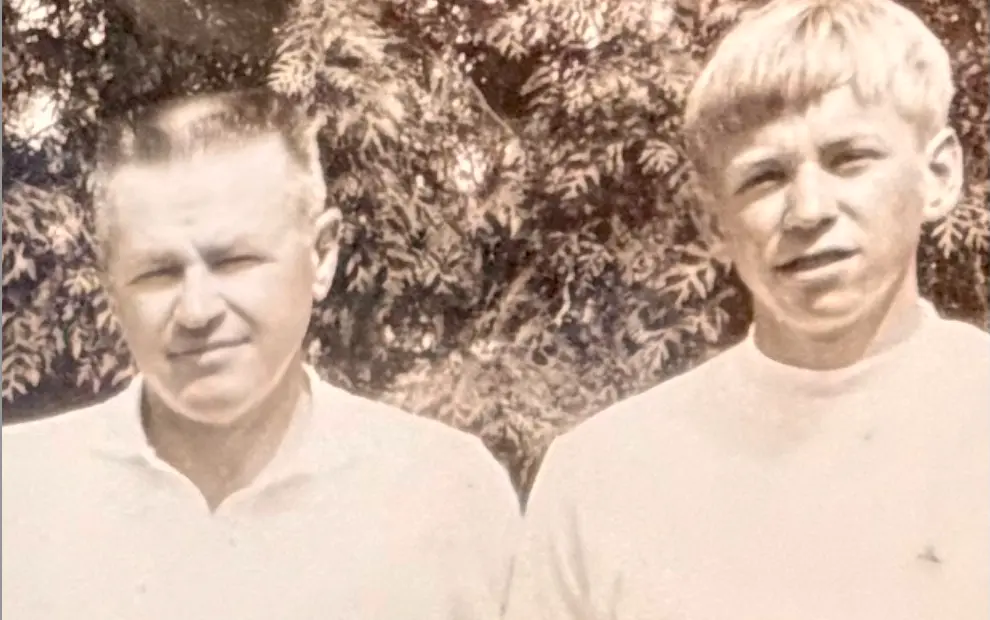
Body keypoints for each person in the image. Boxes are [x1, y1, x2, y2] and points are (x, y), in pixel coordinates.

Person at [502, 0, 989, 617]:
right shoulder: (605, 474)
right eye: (764, 177)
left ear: (939, 174)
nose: (808, 209)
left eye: (850, 159)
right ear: (713, 222)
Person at [2, 89, 521, 620]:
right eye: (158, 272)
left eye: (234, 262)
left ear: (321, 255)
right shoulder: (19, 495)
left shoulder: (447, 494)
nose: (197, 310)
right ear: (111, 284)